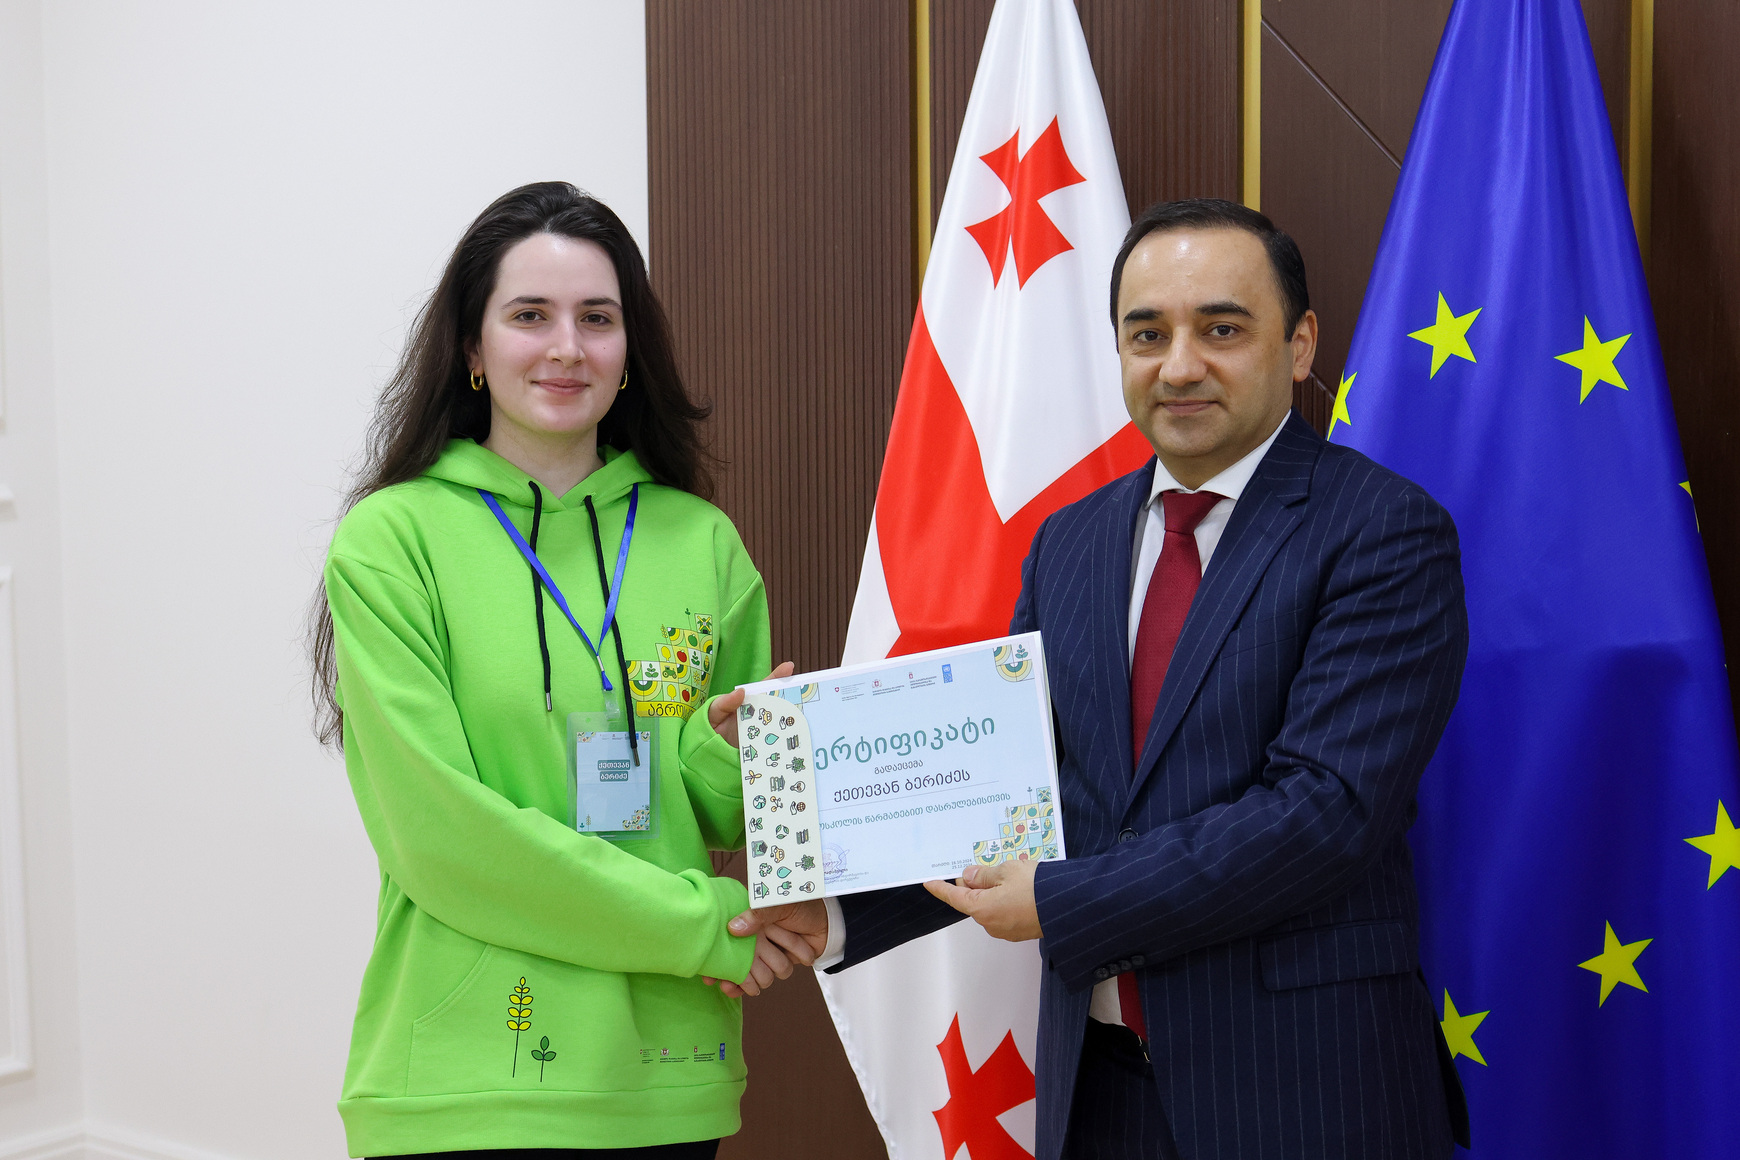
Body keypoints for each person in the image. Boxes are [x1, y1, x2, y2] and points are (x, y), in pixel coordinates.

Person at [737, 199, 1472, 1160]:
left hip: (1307, 1088)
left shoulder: (1384, 530)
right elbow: (1010, 794)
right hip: (1101, 1092)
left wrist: (1062, 902)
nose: (1179, 366)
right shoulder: (1072, 542)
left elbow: (1324, 812)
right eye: (1147, 334)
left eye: (1221, 329)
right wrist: (836, 907)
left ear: (1299, 346)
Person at [310, 182, 820, 1160]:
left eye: (597, 318)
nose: (566, 347)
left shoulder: (701, 540)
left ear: (630, 350)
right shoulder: (392, 540)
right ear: (472, 346)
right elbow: (442, 836)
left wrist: (727, 756)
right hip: (471, 1082)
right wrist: (707, 925)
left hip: (667, 1071)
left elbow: (722, 816)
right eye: (529, 316)